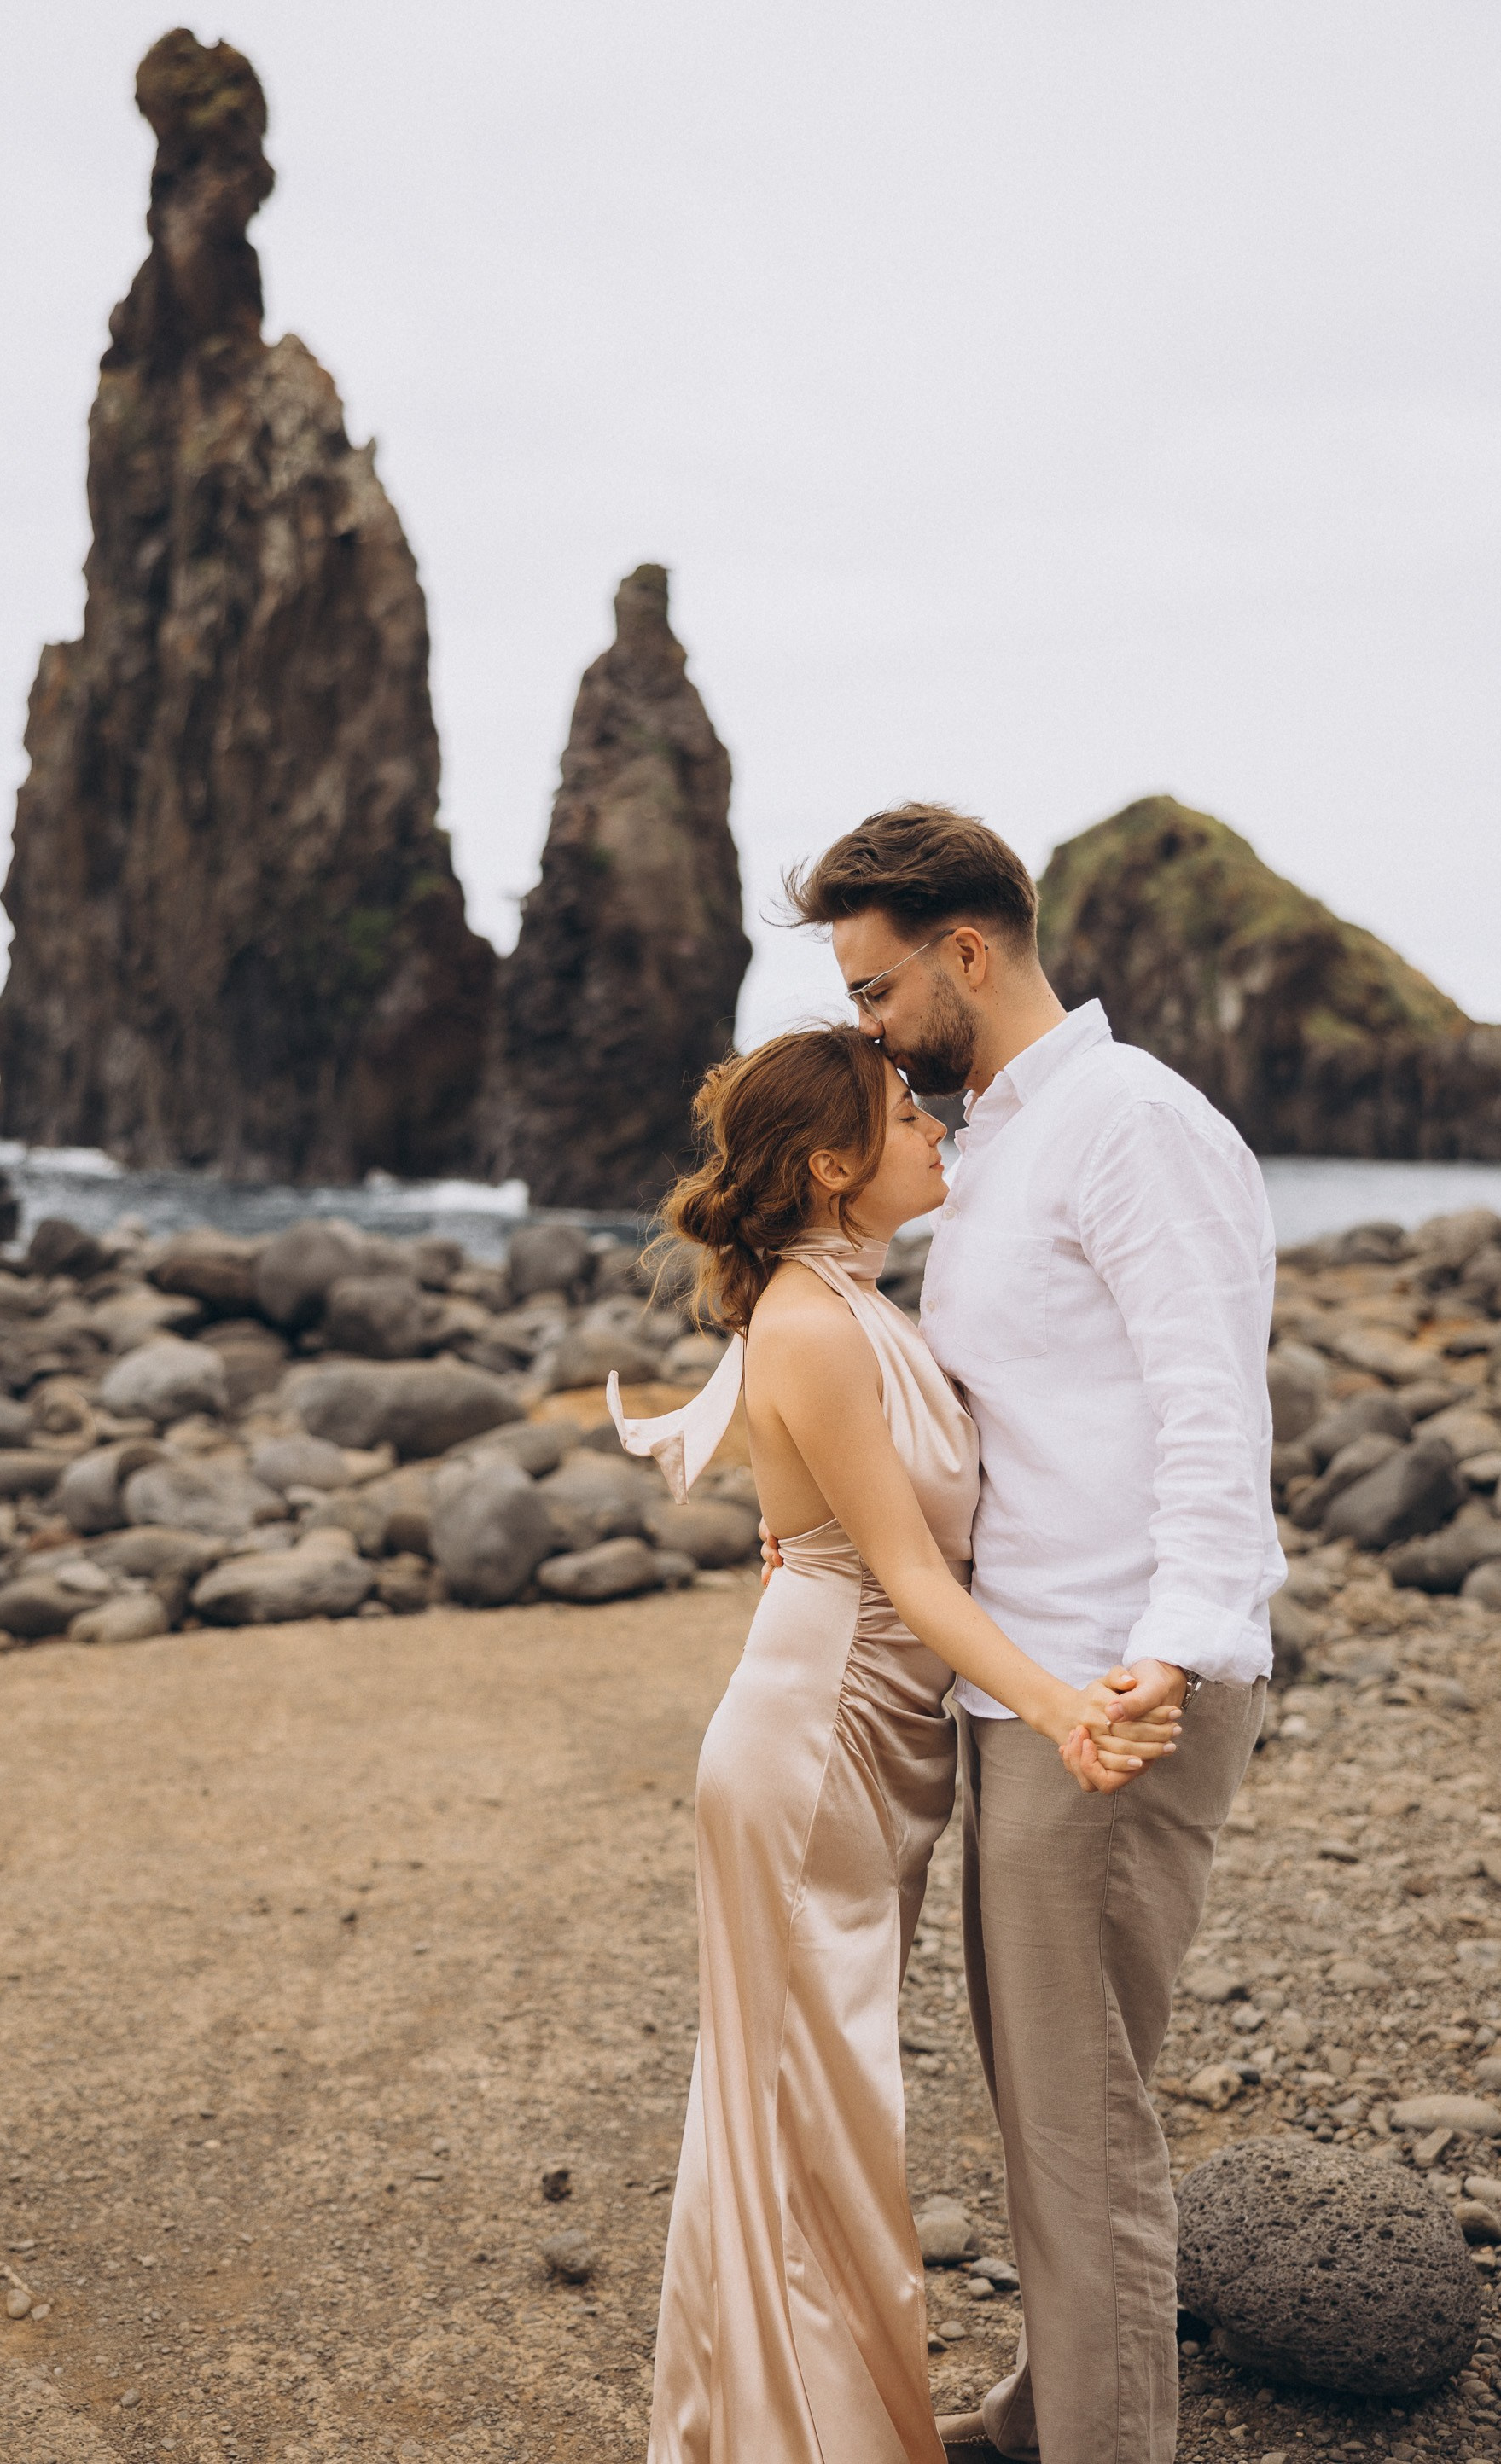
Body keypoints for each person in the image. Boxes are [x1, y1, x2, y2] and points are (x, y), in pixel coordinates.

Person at [780, 804, 1282, 2464]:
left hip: (1115, 1689)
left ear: (965, 954)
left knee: (1080, 2127)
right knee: (1046, 2095)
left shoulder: (1133, 1126)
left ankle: (1102, 2441)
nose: (864, 1024)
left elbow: (1212, 1402)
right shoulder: (994, 1139)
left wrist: (1184, 1639)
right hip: (1034, 1685)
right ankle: (1047, 2408)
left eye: (871, 990)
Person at [609, 1025, 1180, 2464]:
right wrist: (1066, 1709)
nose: (939, 1130)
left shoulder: (848, 1302)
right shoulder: (809, 1319)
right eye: (905, 1114)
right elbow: (912, 1581)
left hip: (860, 1731)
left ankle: (789, 2419)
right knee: (815, 2113)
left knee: (807, 2107)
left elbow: (828, 1530)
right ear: (831, 1165)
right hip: (817, 1752)